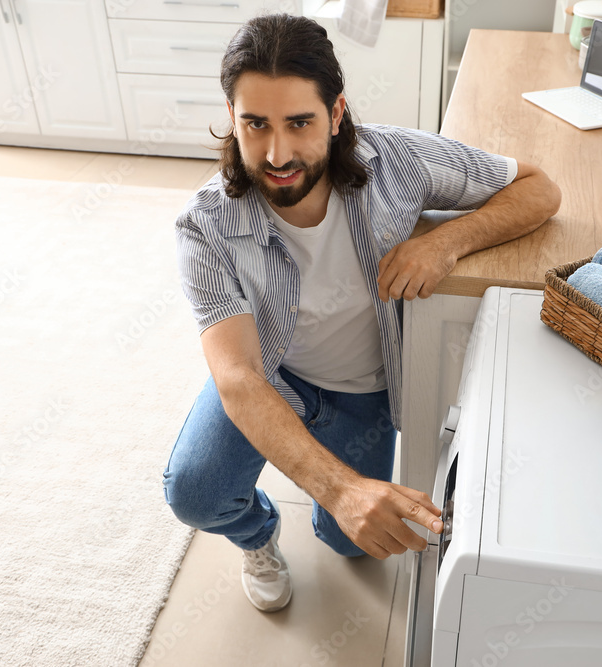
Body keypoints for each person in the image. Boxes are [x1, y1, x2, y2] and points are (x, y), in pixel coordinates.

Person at [162, 13, 562, 613]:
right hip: (270, 374)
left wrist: (444, 242)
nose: (277, 152)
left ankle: (329, 508)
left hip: (364, 396)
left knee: (351, 545)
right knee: (195, 493)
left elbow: (539, 189)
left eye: (300, 123)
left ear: (338, 113)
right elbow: (238, 377)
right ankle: (258, 535)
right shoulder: (205, 226)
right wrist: (342, 488)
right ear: (231, 117)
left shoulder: (395, 161)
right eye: (255, 125)